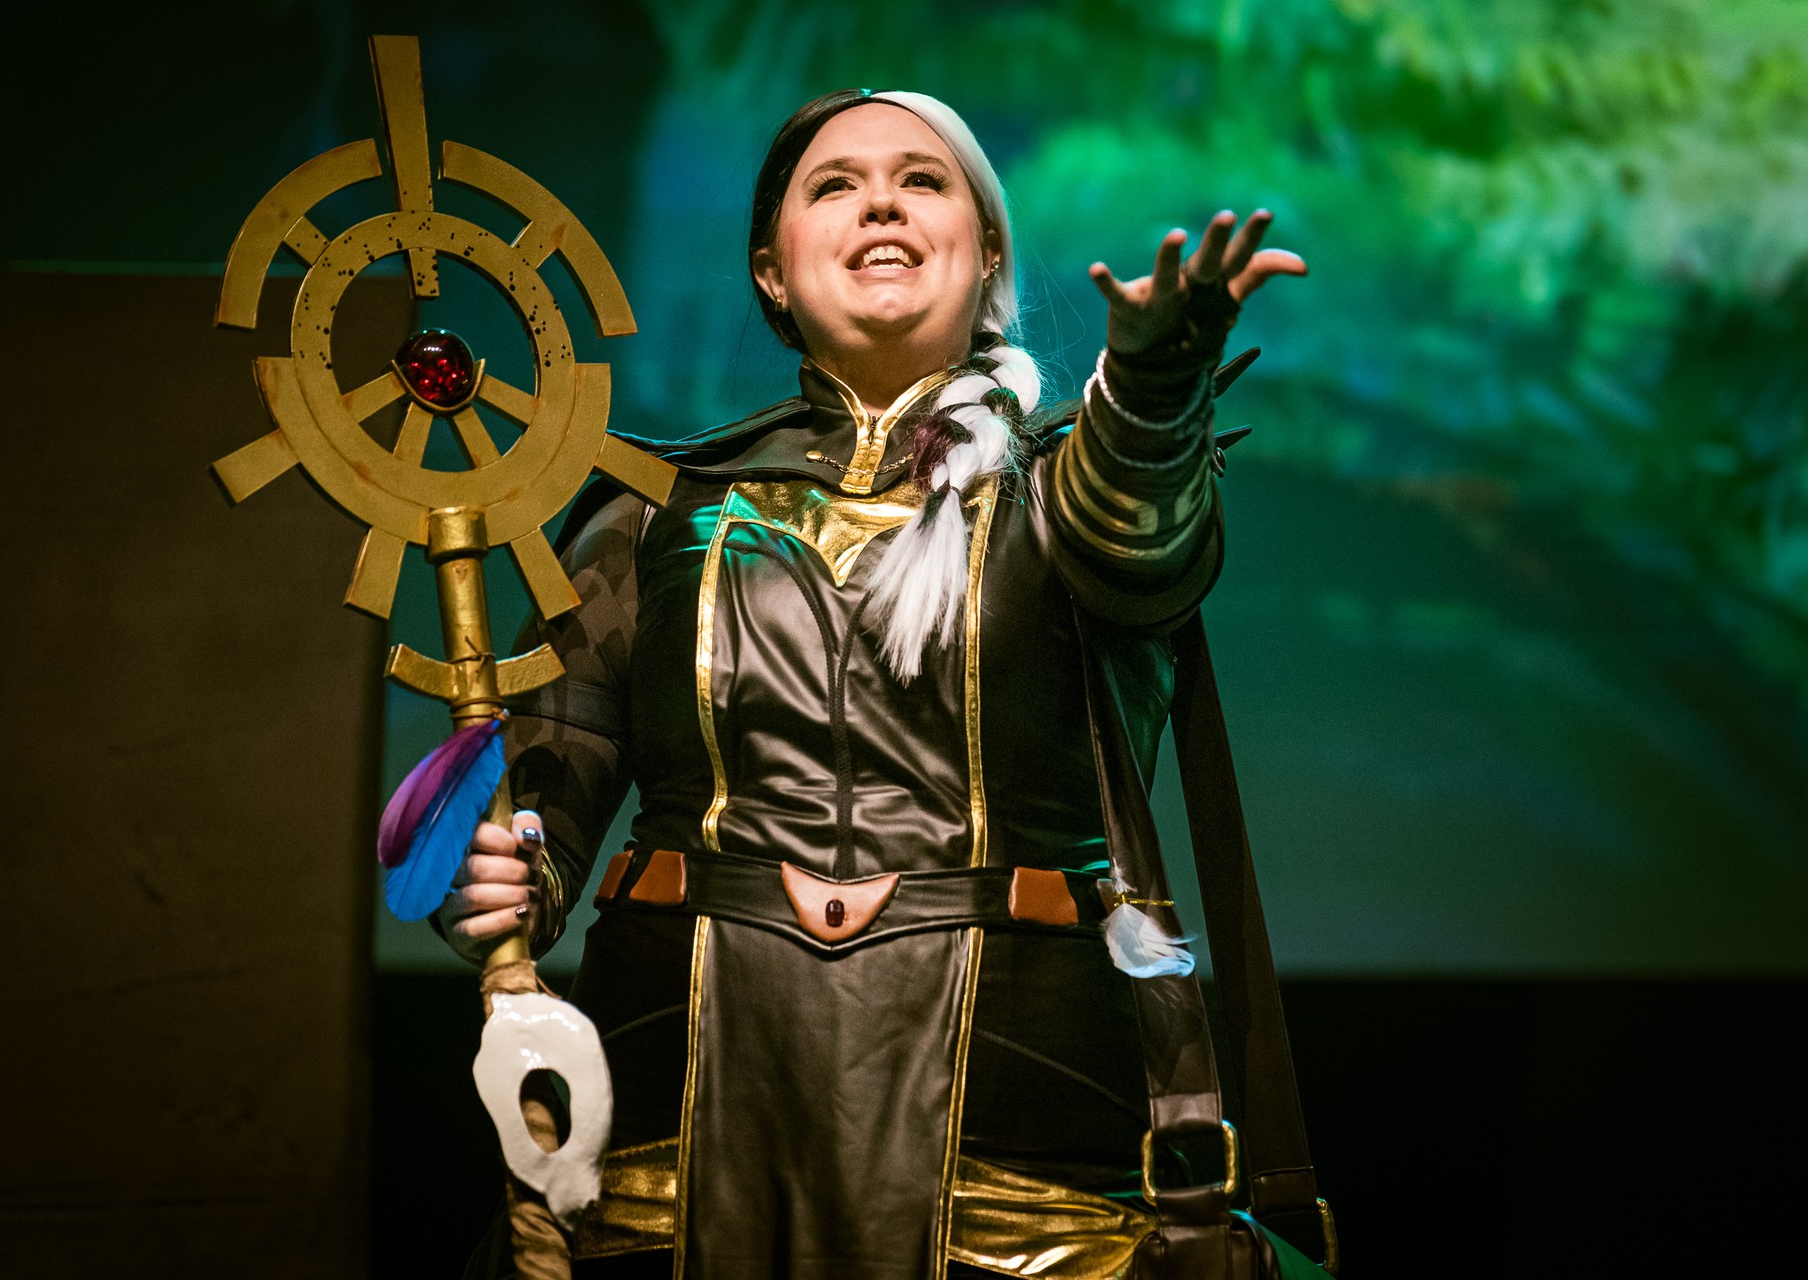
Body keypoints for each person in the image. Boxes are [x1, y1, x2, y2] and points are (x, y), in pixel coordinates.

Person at [438, 87, 1305, 1279]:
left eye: (923, 180)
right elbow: (531, 842)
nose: (882, 202)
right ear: (772, 270)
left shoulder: (1070, 493)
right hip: (675, 1112)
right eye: (835, 185)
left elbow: (1140, 520)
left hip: (1019, 1114)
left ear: (987, 257)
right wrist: (491, 879)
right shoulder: (648, 513)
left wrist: (1152, 396)